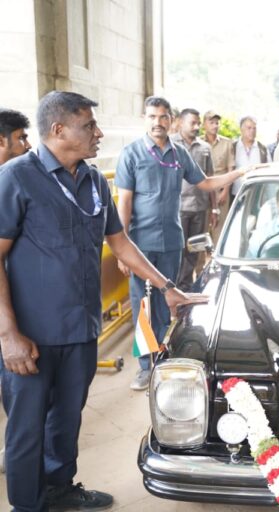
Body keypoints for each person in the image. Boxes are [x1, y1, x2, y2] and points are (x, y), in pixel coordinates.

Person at [0, 91, 205, 512]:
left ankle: (60, 488)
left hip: (80, 327)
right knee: (27, 428)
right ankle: (28, 504)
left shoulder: (92, 179)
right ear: (58, 130)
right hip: (31, 333)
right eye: (89, 125)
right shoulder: (16, 178)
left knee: (67, 417)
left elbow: (120, 242)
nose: (99, 133)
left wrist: (167, 285)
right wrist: (8, 334)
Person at [116, 96, 248, 391]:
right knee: (142, 304)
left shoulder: (179, 154)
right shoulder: (131, 154)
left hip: (172, 241)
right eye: (152, 117)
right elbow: (124, 203)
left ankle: (160, 357)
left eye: (163, 117)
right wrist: (121, 250)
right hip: (139, 244)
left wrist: (239, 173)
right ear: (145, 118)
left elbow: (205, 183)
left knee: (167, 299)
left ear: (171, 120)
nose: (157, 122)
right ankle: (144, 367)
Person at [170, 108, 217, 292]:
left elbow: (210, 178)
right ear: (181, 122)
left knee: (194, 251)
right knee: (178, 250)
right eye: (193, 123)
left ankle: (187, 287)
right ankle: (174, 287)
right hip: (178, 208)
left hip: (199, 208)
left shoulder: (204, 147)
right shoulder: (171, 144)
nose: (197, 126)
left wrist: (214, 209)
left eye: (198, 123)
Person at [202, 110, 235, 243]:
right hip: (203, 191)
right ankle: (199, 263)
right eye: (211, 122)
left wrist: (225, 192)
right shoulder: (198, 144)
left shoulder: (227, 143)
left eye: (217, 123)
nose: (215, 126)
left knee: (220, 230)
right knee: (202, 229)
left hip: (221, 191)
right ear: (204, 124)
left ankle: (218, 261)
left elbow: (230, 168)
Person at [233, 115, 271, 197]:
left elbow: (269, 171)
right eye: (249, 128)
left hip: (257, 194)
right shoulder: (233, 147)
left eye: (254, 128)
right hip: (236, 194)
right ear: (241, 129)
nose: (252, 131)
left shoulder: (262, 149)